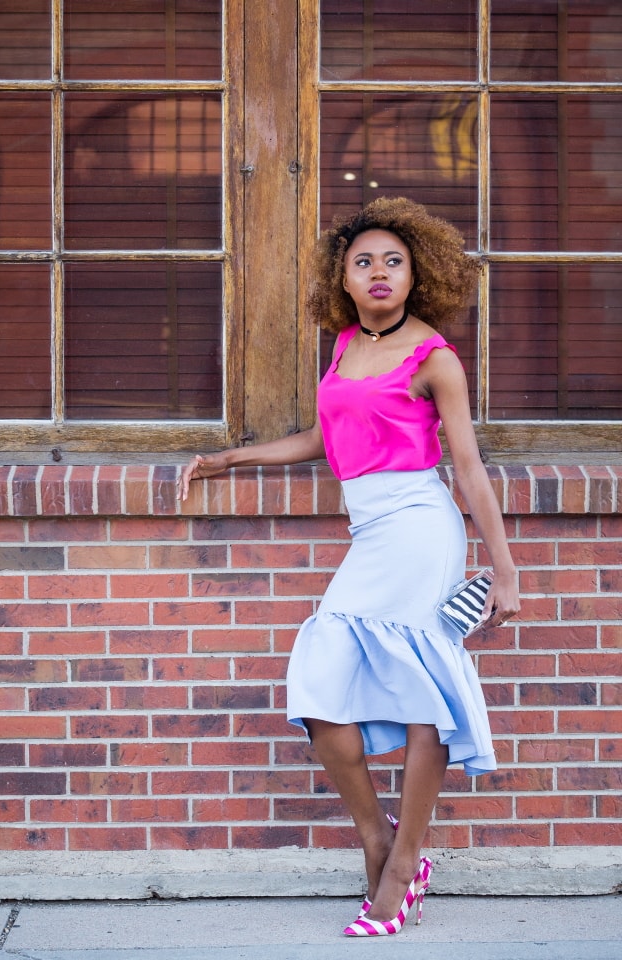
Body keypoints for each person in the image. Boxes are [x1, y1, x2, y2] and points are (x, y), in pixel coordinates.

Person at [177, 196, 520, 938]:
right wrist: (234, 457)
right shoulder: (344, 346)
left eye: (392, 261)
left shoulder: (435, 358)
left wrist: (505, 570)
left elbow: (469, 466)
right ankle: (377, 837)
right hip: (371, 532)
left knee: (425, 695)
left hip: (422, 530)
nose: (378, 272)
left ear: (416, 272)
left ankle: (402, 866)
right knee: (321, 684)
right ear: (344, 276)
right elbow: (322, 438)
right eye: (363, 261)